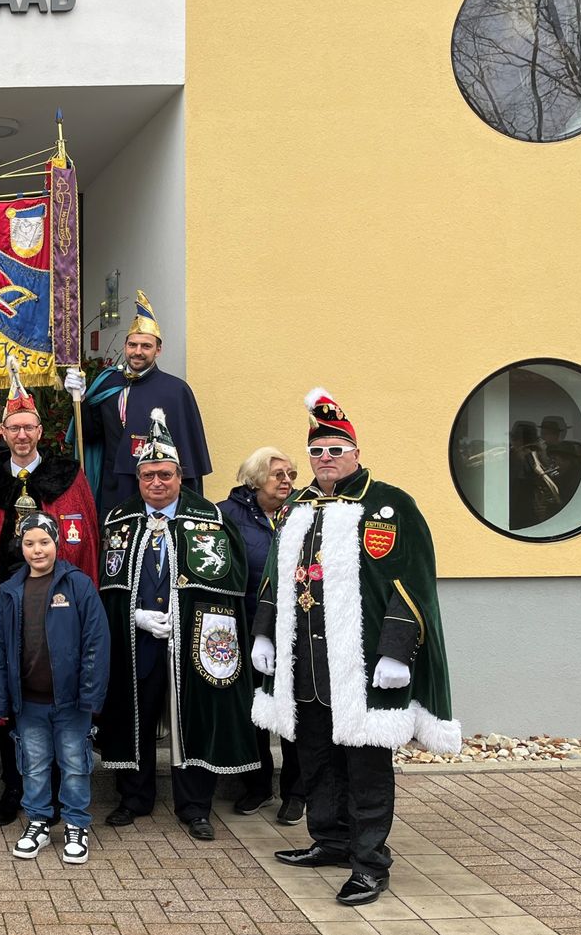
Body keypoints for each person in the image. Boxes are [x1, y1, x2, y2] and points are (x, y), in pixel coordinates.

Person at [250, 389, 459, 908]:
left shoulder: (390, 504)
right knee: (316, 758)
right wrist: (263, 633)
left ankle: (369, 863)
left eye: (336, 448)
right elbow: (277, 579)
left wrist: (396, 650)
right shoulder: (296, 507)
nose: (326, 458)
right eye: (317, 450)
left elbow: (412, 583)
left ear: (356, 453)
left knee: (365, 768)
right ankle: (331, 840)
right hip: (306, 665)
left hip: (361, 665)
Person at [98, 409, 258, 840]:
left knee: (193, 719)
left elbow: (230, 583)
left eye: (164, 475)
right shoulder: (118, 519)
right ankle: (134, 798)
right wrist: (135, 616)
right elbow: (106, 587)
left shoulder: (211, 518)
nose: (156, 483)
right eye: (148, 475)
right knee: (135, 717)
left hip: (191, 645)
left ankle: (194, 807)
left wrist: (185, 617)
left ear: (180, 475)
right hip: (138, 643)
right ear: (137, 477)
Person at [0, 358, 99, 826]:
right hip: (7, 607)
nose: (21, 435)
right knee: (12, 701)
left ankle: (63, 791)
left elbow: (85, 545)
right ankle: (14, 788)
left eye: (28, 426)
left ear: (41, 430)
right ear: (1, 432)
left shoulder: (69, 477)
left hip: (59, 607)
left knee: (58, 701)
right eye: (13, 427)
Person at [0, 514, 110, 865]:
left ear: (57, 543)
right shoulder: (10, 591)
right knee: (34, 765)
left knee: (74, 763)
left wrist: (91, 694)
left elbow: (96, 643)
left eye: (44, 542)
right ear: (20, 546)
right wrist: (1, 702)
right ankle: (38, 821)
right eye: (29, 543)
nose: (37, 550)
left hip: (71, 701)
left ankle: (76, 824)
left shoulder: (78, 585)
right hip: (28, 702)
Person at [217, 446, 306, 825]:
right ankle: (256, 785)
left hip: (297, 627)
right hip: (246, 626)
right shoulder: (227, 514)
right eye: (279, 475)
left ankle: (296, 792)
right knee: (253, 711)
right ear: (255, 480)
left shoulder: (303, 511)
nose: (287, 481)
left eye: (291, 475)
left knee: (293, 711)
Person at [65, 290, 212, 514]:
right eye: (132, 345)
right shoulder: (108, 383)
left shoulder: (176, 390)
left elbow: (188, 459)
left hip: (159, 492)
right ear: (125, 346)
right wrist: (81, 399)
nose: (138, 352)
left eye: (146, 346)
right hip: (115, 487)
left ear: (158, 350)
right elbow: (90, 434)